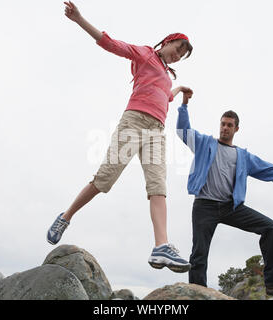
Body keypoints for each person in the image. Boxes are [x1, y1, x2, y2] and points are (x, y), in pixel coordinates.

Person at [47, 1, 194, 273]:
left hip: (156, 132)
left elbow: (164, 97)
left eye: (181, 56)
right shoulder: (145, 55)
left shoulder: (166, 74)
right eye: (177, 49)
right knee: (105, 178)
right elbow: (111, 43)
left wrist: (179, 88)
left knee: (157, 186)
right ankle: (65, 217)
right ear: (168, 41)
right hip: (134, 122)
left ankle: (161, 246)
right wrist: (80, 19)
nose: (177, 56)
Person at [176, 91, 273, 294]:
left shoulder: (242, 156)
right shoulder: (204, 143)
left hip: (230, 207)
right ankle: (198, 293)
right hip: (204, 206)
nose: (225, 128)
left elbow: (269, 169)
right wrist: (184, 105)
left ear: (236, 128)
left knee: (270, 227)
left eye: (229, 125)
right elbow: (183, 130)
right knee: (199, 253)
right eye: (222, 124)